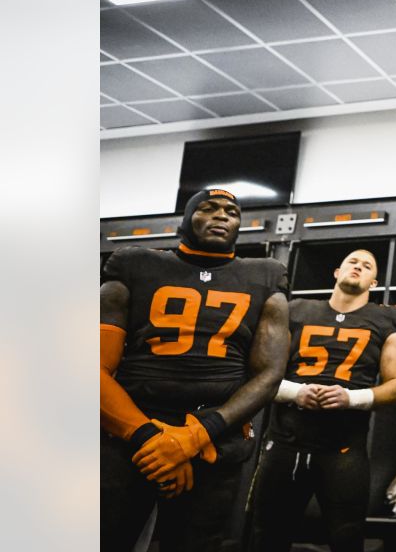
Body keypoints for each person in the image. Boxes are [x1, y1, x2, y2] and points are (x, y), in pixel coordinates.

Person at [100, 188, 290, 551]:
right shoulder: (134, 265)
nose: (222, 215)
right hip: (133, 431)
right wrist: (153, 440)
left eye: (231, 212)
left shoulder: (266, 276)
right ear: (185, 220)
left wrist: (195, 436)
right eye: (208, 208)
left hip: (213, 436)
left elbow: (268, 375)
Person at [247, 249, 396, 552]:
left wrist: (350, 397)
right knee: (265, 537)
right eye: (352, 261)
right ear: (336, 272)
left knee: (347, 538)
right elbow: (260, 372)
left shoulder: (388, 318)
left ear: (374, 282)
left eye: (367, 266)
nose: (358, 267)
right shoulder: (296, 310)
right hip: (286, 443)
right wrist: (297, 392)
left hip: (343, 450)